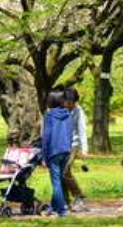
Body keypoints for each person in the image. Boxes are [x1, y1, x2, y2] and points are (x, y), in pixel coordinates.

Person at [41, 90, 72, 218]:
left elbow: (46, 136)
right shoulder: (68, 114)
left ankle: (62, 210)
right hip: (66, 150)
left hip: (54, 151)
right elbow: (70, 133)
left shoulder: (49, 116)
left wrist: (44, 156)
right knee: (58, 180)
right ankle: (53, 208)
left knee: (56, 182)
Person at [62, 87, 89, 212]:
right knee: (60, 173)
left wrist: (84, 150)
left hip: (73, 145)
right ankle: (65, 201)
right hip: (60, 145)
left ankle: (79, 196)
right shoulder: (60, 109)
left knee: (65, 170)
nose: (70, 105)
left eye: (72, 102)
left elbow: (82, 130)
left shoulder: (78, 111)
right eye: (68, 102)